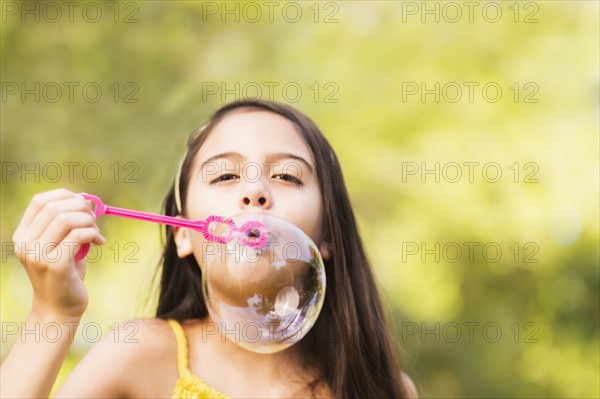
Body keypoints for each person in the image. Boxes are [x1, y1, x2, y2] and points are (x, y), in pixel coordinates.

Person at [1, 99, 417, 398]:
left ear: (328, 236)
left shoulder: (381, 388)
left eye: (288, 176)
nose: (254, 191)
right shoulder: (141, 354)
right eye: (224, 176)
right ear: (182, 233)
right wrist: (52, 313)